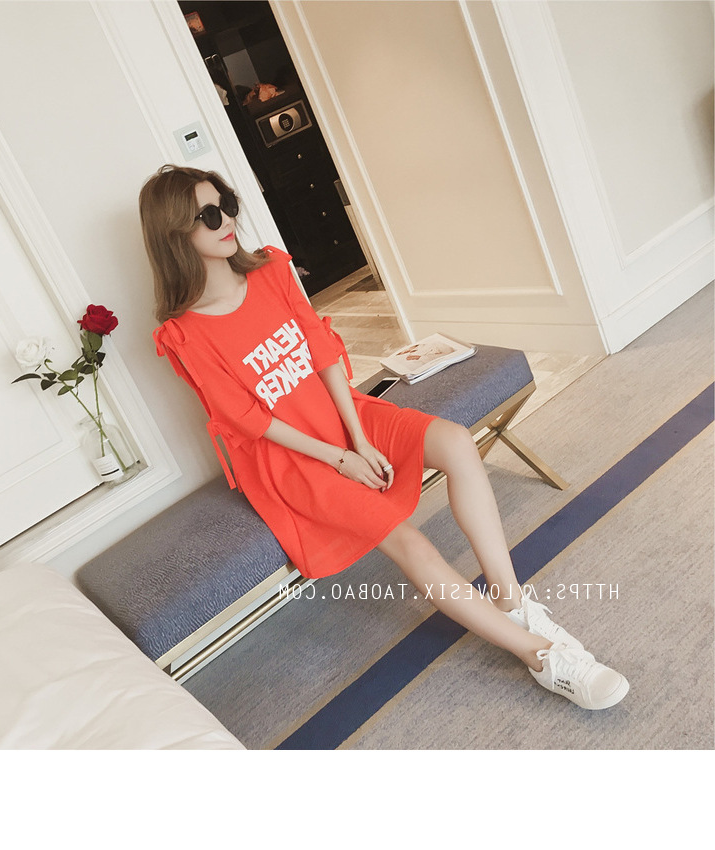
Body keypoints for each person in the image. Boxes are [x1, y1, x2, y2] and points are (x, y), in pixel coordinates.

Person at [139, 164, 629, 711]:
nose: (227, 220)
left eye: (226, 204)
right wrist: (340, 459)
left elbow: (323, 353)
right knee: (409, 542)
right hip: (295, 458)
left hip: (346, 417)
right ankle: (540, 656)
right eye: (208, 215)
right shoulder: (184, 335)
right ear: (175, 233)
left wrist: (358, 437)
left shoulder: (272, 271)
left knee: (455, 442)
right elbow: (249, 420)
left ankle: (511, 600)